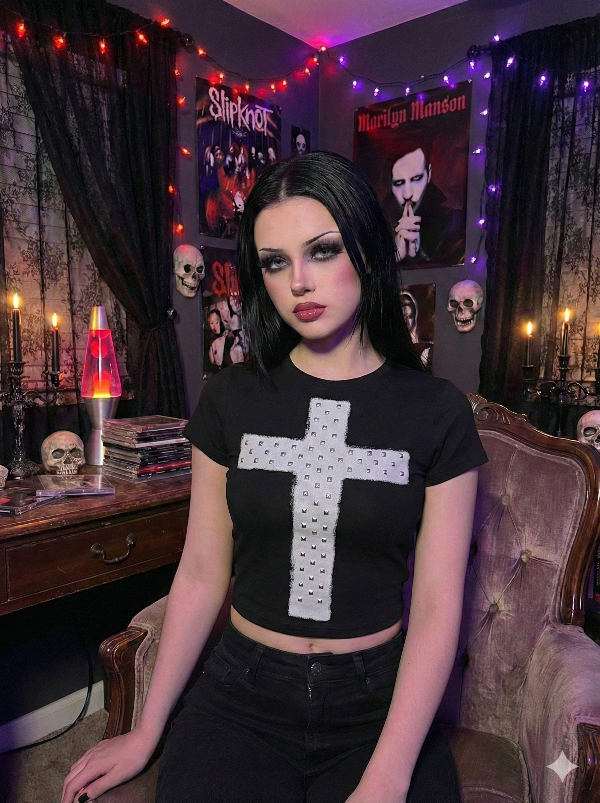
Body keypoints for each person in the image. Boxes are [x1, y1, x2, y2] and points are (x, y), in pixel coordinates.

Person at [62, 151, 487, 803]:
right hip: (242, 697)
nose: (299, 283)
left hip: (378, 707)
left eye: (322, 250)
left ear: (368, 249)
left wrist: (388, 774)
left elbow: (435, 606)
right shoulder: (230, 399)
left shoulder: (437, 413)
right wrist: (146, 729)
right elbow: (202, 572)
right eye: (275, 262)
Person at [383, 140, 465, 266]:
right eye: (399, 182)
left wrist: (419, 253)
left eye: (416, 179)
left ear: (428, 174)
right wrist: (396, 257)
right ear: (390, 185)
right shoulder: (375, 227)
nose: (408, 194)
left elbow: (456, 269)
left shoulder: (454, 222)